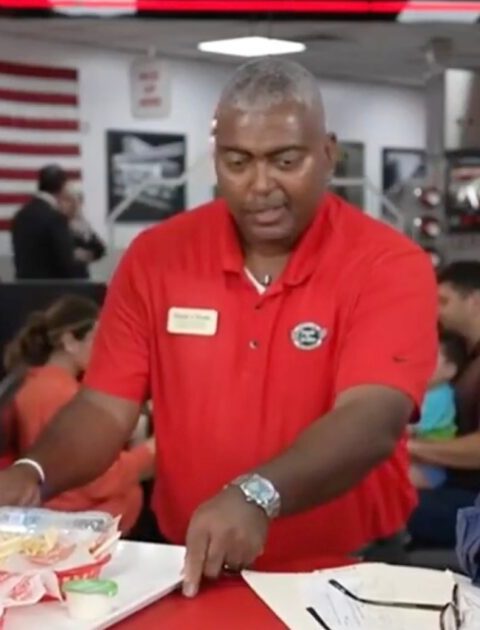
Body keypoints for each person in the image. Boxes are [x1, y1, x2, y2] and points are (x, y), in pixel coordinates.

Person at [0, 59, 437, 596]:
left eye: (286, 160)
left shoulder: (388, 264)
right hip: (194, 565)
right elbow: (104, 407)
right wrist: (33, 473)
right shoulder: (157, 258)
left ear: (328, 153)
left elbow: (372, 417)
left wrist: (258, 494)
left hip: (348, 570)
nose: (261, 185)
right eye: (237, 162)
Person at [4, 295, 155, 535]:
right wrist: (150, 452)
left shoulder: (39, 383)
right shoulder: (59, 393)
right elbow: (99, 481)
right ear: (70, 342)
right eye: (98, 339)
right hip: (81, 525)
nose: (106, 350)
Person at [409, 261, 480, 548]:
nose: (436, 310)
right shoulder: (465, 357)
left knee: (378, 505)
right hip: (457, 487)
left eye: (444, 301)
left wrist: (408, 448)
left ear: (474, 300)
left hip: (470, 498)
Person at [409, 330, 467, 490]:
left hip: (429, 469)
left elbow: (410, 428)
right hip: (416, 458)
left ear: (449, 370)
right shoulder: (425, 392)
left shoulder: (440, 397)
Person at [11, 165, 87, 279]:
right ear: (62, 186)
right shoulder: (56, 218)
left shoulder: (20, 216)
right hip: (52, 287)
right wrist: (82, 268)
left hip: (23, 286)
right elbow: (66, 263)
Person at [67, 189, 107, 279]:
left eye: (78, 202)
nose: (75, 205)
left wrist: (88, 254)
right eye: (72, 201)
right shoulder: (59, 222)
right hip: (64, 275)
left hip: (81, 273)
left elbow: (99, 248)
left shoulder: (83, 223)